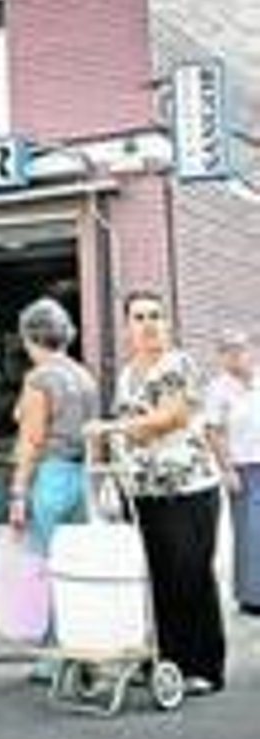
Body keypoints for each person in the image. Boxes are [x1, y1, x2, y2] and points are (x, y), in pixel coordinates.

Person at [88, 291, 225, 695]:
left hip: (188, 488)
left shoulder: (177, 363)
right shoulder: (128, 373)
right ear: (127, 327)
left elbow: (170, 418)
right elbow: (125, 427)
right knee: (158, 578)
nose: (148, 323)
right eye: (139, 317)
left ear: (167, 323)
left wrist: (110, 429)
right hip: (143, 492)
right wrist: (108, 467)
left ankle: (203, 668)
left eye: (156, 316)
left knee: (190, 576)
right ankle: (169, 661)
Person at [7, 298, 99, 680]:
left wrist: (17, 492)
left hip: (51, 475)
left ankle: (52, 658)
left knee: (47, 568)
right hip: (83, 477)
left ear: (30, 336)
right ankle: (84, 650)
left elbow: (31, 439)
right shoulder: (84, 375)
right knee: (77, 568)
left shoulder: (40, 378)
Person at [205, 329, 260, 615]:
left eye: (241, 348)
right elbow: (213, 431)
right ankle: (251, 597)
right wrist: (227, 469)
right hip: (242, 467)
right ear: (222, 357)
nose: (236, 355)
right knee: (250, 533)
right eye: (228, 350)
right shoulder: (218, 388)